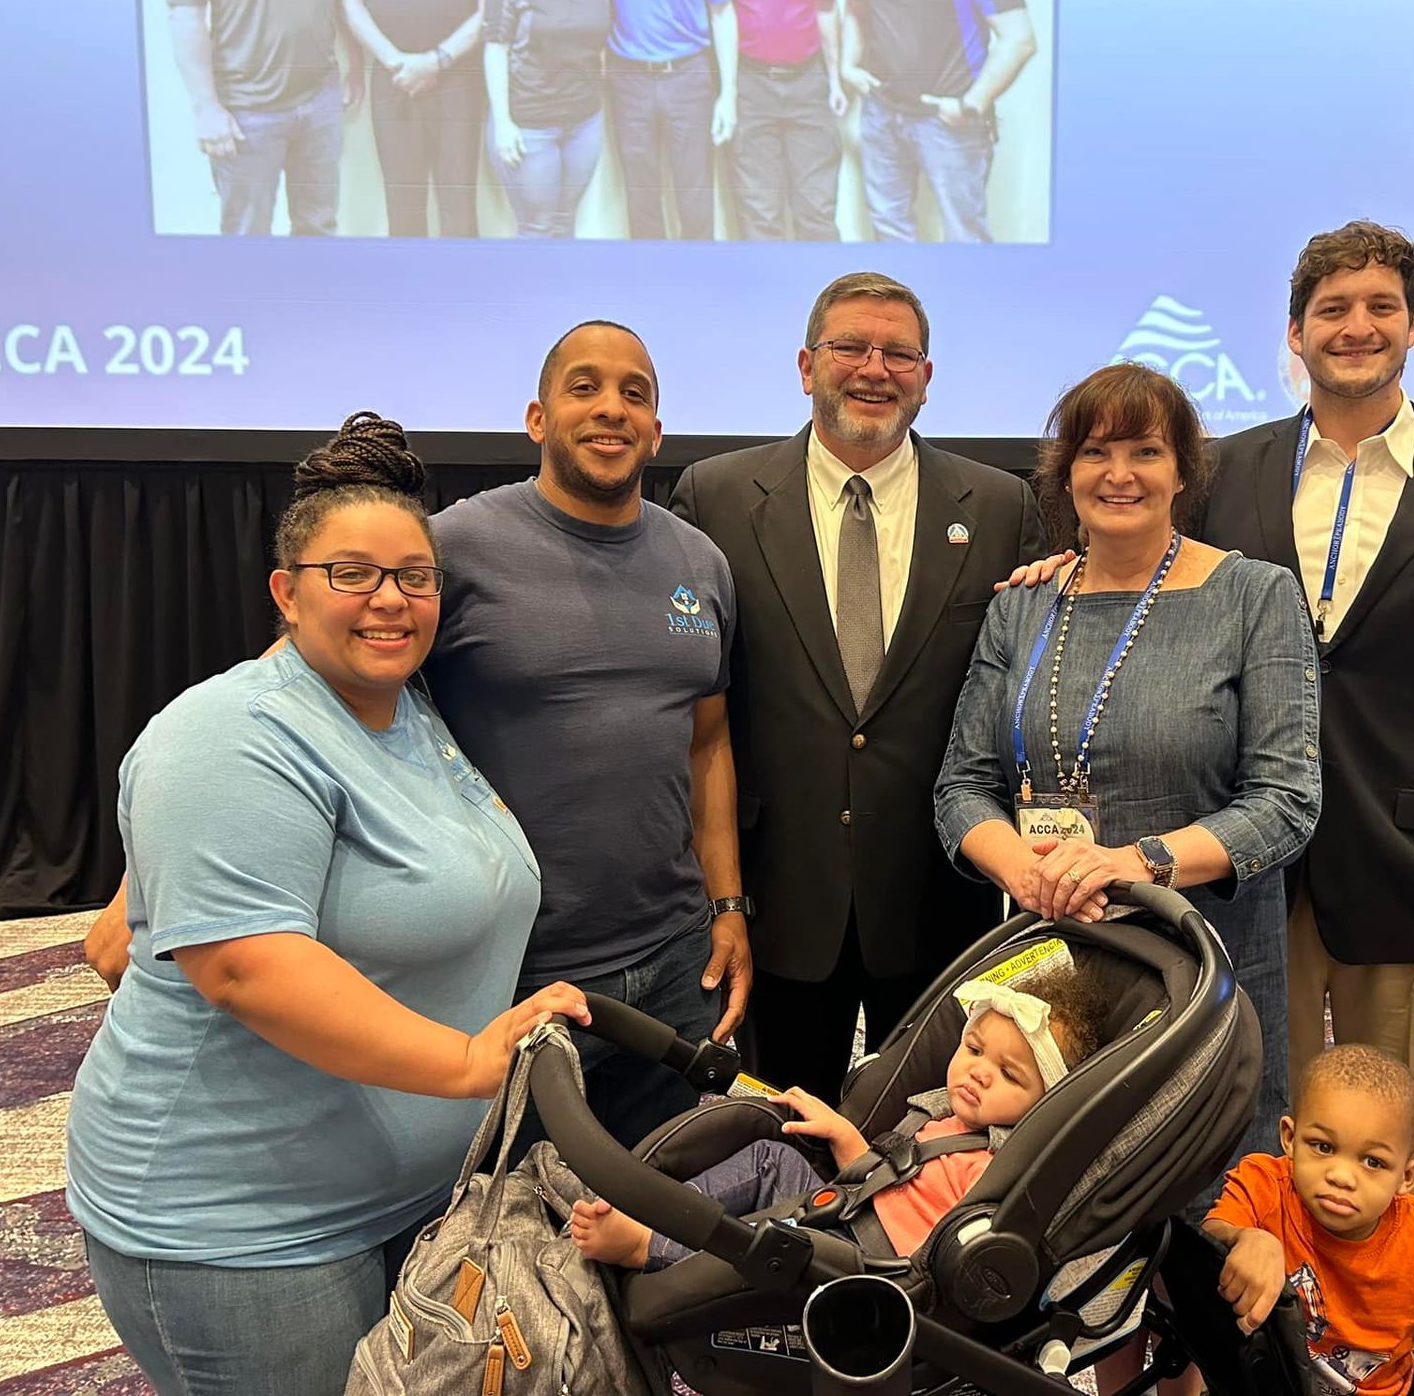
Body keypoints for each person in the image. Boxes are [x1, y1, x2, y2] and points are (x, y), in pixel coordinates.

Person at [1007, 222, 1414, 1242]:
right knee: (1245, 1140)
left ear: (1412, 324)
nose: (1357, 327)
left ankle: (1377, 1352)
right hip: (1242, 875)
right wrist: (1065, 569)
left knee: (1387, 1163)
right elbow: (1144, 568)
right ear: (1296, 333)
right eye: (1333, 310)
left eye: (1380, 307)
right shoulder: (1230, 471)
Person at [65, 414, 590, 1396]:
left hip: (405, 1203)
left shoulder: (405, 709)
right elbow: (243, 963)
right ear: (286, 591)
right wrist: (471, 1060)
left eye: (414, 577)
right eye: (351, 573)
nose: (389, 600)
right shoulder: (228, 729)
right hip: (243, 1233)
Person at [668, 271, 1045, 1101]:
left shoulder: (1000, 507)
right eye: (851, 348)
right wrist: (720, 896)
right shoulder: (717, 498)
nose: (875, 369)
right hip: (778, 902)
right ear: (807, 366)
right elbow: (699, 713)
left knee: (930, 1138)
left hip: (938, 902)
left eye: (899, 353)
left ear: (927, 376)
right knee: (773, 1143)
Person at [936, 361, 1320, 1169]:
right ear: (1065, 472)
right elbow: (962, 787)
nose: (1119, 475)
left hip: (1206, 959)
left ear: (1183, 470)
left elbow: (1287, 801)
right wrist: (1026, 871)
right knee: (1052, 1191)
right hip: (1052, 956)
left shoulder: (1254, 596)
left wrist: (1132, 865)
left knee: (1205, 1202)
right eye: (1095, 452)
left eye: (1145, 451)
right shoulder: (1021, 606)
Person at [426, 320, 752, 1146]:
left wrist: (727, 905)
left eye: (633, 394)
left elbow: (708, 744)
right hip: (519, 971)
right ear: (538, 418)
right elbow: (310, 681)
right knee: (513, 1228)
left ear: (656, 431)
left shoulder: (701, 563)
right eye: (584, 387)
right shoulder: (454, 547)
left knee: (662, 1211)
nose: (611, 409)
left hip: (679, 960)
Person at [570, 967, 1108, 1268]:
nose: (978, 1073)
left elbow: (946, 1245)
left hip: (878, 1267)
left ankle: (650, 1247)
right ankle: (658, 1211)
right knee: (771, 1158)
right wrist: (848, 1138)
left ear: (1046, 1103)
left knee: (774, 1235)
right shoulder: (938, 1114)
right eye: (972, 1049)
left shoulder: (1000, 1164)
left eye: (1009, 1075)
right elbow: (893, 1179)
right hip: (855, 1209)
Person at [1172, 1044, 1414, 1395]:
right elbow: (1207, 1242)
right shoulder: (1264, 1185)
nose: (1342, 1176)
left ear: (1406, 1177)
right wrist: (1246, 1238)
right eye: (1323, 1147)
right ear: (1290, 1137)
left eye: (1373, 1162)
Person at [841, 0, 1036, 242]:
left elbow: (1019, 39)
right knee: (888, 228)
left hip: (948, 121)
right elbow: (856, 11)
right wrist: (848, 66)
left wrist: (970, 105)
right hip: (881, 113)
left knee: (964, 234)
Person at [167, 0, 351, 236]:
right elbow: (185, 15)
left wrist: (356, 67)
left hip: (320, 98)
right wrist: (206, 108)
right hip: (246, 111)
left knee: (319, 226)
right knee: (247, 234)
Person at [342, 0, 486, 238]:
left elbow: (488, 9)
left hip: (458, 78)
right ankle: (409, 281)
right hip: (394, 77)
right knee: (402, 206)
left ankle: (464, 281)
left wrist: (437, 60)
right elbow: (350, 1)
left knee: (459, 206)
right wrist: (395, 60)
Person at [604, 0, 737, 240]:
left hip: (688, 76)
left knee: (695, 195)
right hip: (629, 80)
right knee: (640, 196)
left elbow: (722, 12)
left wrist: (729, 93)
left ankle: (699, 275)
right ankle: (649, 277)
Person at [481, 0, 612, 238]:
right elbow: (495, 50)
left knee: (565, 219)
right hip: (528, 125)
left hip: (584, 122)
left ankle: (563, 282)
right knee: (537, 226)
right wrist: (503, 123)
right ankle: (532, 283)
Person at [724, 0, 845, 241]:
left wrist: (834, 79)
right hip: (750, 81)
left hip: (808, 81)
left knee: (817, 208)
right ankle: (765, 283)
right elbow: (720, 11)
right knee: (760, 213)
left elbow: (825, 8)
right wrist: (727, 91)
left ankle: (826, 282)